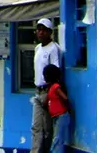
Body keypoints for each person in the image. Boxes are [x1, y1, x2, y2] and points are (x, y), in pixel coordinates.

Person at [31, 18, 63, 153]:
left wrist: (50, 94)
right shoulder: (38, 48)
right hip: (38, 90)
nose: (41, 33)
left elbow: (55, 72)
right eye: (39, 30)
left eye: (44, 30)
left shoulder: (54, 49)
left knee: (46, 128)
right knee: (37, 126)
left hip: (47, 91)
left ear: (50, 32)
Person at [43, 64, 70, 153]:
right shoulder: (50, 87)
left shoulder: (55, 87)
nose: (44, 78)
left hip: (61, 116)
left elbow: (65, 98)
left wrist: (68, 110)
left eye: (45, 75)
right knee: (58, 138)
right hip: (55, 117)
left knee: (57, 139)